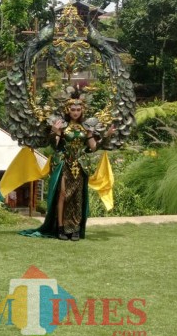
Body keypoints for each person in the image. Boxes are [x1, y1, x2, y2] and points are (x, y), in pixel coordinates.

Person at [20, 96, 113, 241]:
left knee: (77, 197)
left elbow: (93, 147)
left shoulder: (86, 127)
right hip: (64, 163)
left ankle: (75, 229)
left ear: (82, 110)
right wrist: (55, 131)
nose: (75, 112)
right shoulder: (62, 125)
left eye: (78, 109)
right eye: (73, 109)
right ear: (67, 110)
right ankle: (61, 227)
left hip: (80, 165)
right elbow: (55, 146)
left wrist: (106, 137)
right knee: (63, 194)